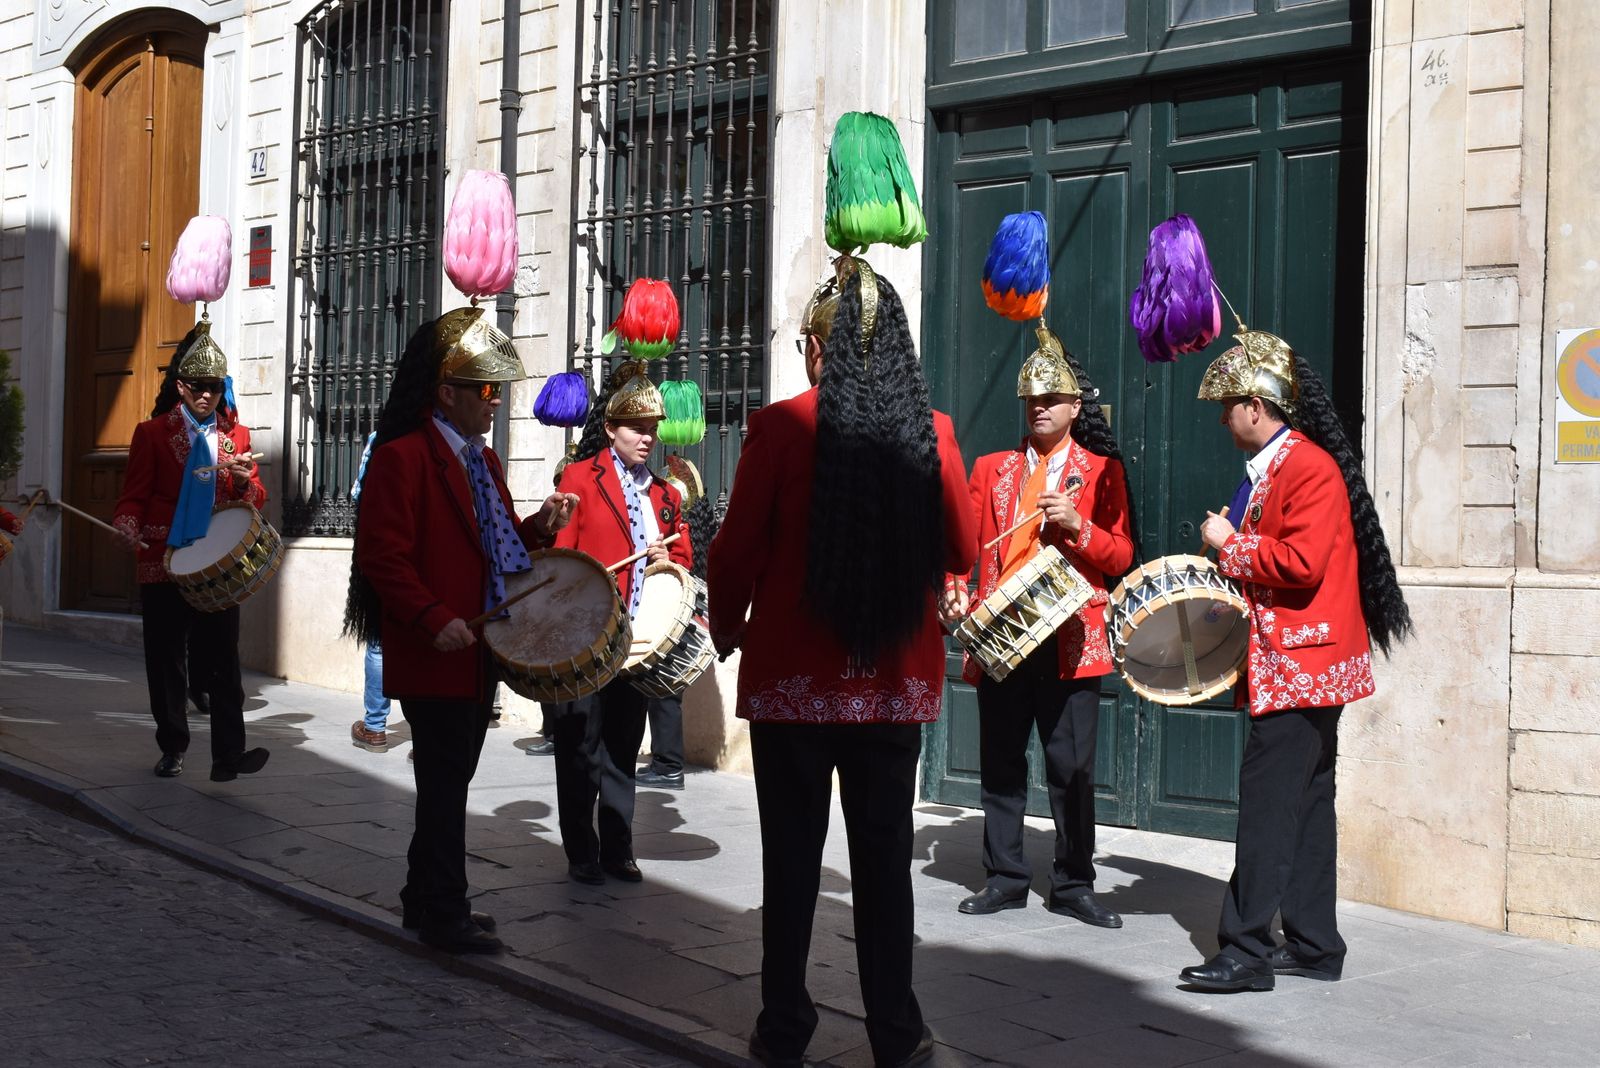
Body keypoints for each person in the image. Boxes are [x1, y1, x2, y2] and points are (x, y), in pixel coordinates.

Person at [708, 260, 976, 1068]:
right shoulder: (932, 430)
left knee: (790, 865)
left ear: (820, 349)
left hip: (795, 685)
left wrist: (727, 626)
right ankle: (895, 1033)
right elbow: (962, 548)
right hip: (890, 686)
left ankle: (784, 1028)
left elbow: (735, 552)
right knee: (885, 867)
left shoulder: (781, 427)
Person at [1179, 329, 1411, 992]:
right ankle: (1314, 944)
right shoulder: (1277, 467)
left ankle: (1246, 951)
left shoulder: (1305, 467)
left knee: (1268, 809)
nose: (1222, 420)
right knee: (1307, 805)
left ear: (1256, 407)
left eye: (1227, 407)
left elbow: (1302, 564)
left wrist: (1229, 543)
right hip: (1297, 665)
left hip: (1298, 668)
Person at [347, 306, 577, 954]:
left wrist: (541, 526)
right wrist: (432, 617)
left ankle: (422, 897)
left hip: (478, 651)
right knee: (446, 787)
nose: (495, 400)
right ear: (446, 393)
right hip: (436, 651)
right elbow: (383, 559)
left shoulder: (485, 461)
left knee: (449, 784)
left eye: (497, 389)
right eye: (484, 389)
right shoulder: (402, 458)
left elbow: (499, 546)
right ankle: (446, 914)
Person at [944, 326, 1134, 927]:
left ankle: (1074, 882)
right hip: (1002, 634)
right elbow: (963, 548)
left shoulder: (1102, 471)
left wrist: (1079, 525)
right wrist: (955, 592)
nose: (1039, 408)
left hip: (1071, 639)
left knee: (1072, 768)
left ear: (1076, 407)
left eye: (1052, 399)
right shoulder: (990, 468)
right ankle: (1004, 876)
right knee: (1001, 761)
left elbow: (1121, 555)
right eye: (1031, 399)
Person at [550, 364, 693, 883]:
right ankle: (580, 851)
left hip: (638, 641)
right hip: (587, 635)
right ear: (611, 428)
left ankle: (618, 847)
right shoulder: (578, 478)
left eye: (652, 429)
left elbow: (685, 561)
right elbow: (561, 557)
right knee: (579, 748)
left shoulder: (667, 495)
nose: (647, 438)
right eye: (636, 428)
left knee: (622, 747)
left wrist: (668, 560)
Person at [112, 323, 271, 783]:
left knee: (224, 661)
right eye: (199, 387)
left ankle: (229, 756)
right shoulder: (152, 434)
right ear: (181, 386)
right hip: (164, 559)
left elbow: (255, 498)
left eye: (215, 387)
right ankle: (172, 745)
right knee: (166, 660)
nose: (207, 396)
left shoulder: (237, 437)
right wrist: (126, 525)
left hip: (218, 564)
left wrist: (242, 482)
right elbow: (133, 497)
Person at [348, 430, 393, 753]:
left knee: (379, 641)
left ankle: (375, 728)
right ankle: (426, 733)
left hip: (385, 552)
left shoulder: (383, 437)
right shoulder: (451, 436)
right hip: (430, 556)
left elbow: (358, 495)